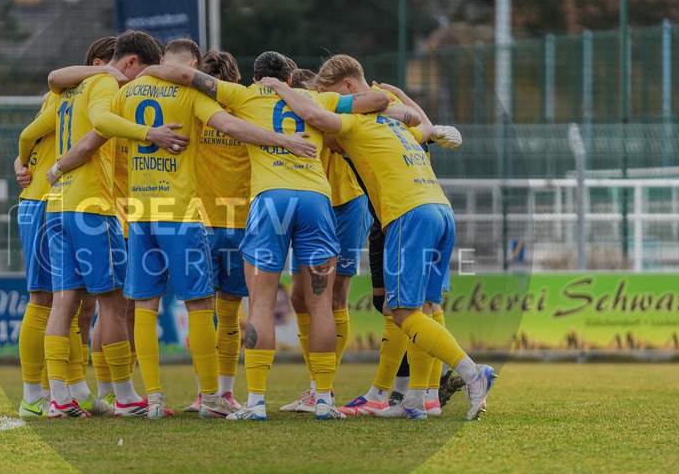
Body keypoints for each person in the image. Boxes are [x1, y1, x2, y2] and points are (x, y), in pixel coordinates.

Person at [140, 51, 389, 420]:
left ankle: (255, 402)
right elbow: (378, 99)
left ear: (255, 78)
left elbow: (185, 76)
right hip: (316, 201)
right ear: (290, 78)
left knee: (260, 304)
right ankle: (323, 399)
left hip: (270, 201)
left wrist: (150, 69)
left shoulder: (243, 95)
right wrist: (292, 94)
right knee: (322, 305)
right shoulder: (315, 99)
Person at [258, 53, 496, 421]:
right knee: (426, 309)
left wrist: (278, 87)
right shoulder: (394, 124)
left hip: (408, 213)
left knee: (402, 313)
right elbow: (423, 126)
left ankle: (471, 373)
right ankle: (415, 400)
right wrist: (400, 98)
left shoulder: (353, 123)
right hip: (440, 209)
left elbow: (314, 116)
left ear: (349, 88)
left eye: (334, 94)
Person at [113, 39, 318, 419]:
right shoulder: (236, 105)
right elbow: (234, 126)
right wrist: (284, 140)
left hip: (171, 213)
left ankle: (158, 396)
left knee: (147, 306)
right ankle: (219, 393)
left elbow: (100, 126)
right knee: (219, 311)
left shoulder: (133, 94)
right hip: (233, 220)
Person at [25, 30, 185, 419]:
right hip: (92, 206)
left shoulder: (71, 88)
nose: (145, 82)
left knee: (64, 302)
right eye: (144, 73)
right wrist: (151, 132)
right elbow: (100, 123)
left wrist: (32, 163)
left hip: (58, 206)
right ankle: (124, 396)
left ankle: (58, 396)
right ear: (131, 63)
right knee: (112, 303)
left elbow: (35, 125)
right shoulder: (106, 84)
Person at [12, 37, 129, 418]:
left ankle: (74, 390)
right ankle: (34, 394)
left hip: (59, 201)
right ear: (98, 64)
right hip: (44, 199)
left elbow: (30, 137)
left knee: (77, 303)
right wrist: (24, 165)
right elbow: (29, 134)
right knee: (44, 300)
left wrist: (23, 160)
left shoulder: (79, 94)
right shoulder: (68, 94)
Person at [280, 67, 373, 414]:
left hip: (347, 203)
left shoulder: (330, 112)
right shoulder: (289, 115)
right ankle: (316, 386)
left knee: (335, 296)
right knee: (298, 296)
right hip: (313, 206)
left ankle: (323, 388)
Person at [183, 50, 251, 414]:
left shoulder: (193, 108)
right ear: (236, 81)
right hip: (241, 222)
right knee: (229, 314)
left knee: (202, 313)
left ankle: (203, 393)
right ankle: (224, 393)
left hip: (201, 221)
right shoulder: (247, 109)